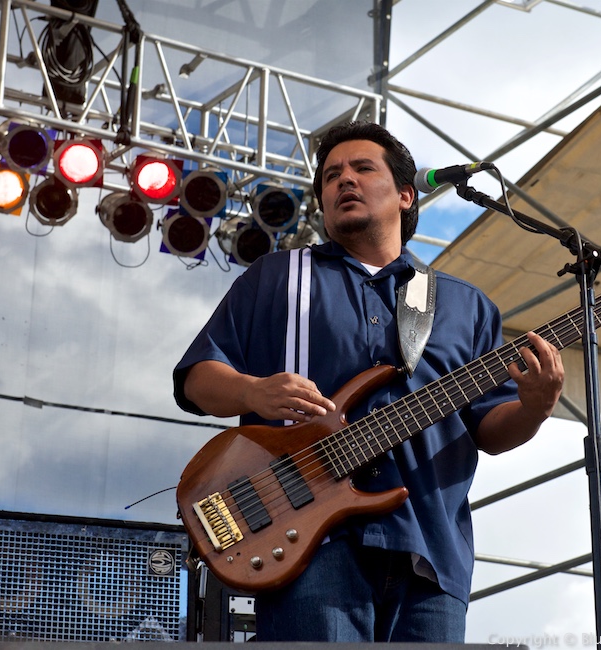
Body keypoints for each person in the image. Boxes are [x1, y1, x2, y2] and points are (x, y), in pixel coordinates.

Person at [173, 121, 564, 643]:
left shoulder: (465, 305)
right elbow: (197, 378)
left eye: (362, 168)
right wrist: (252, 391)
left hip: (431, 553)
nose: (344, 181)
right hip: (312, 543)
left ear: (405, 194)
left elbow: (490, 430)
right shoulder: (277, 278)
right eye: (331, 175)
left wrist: (535, 408)